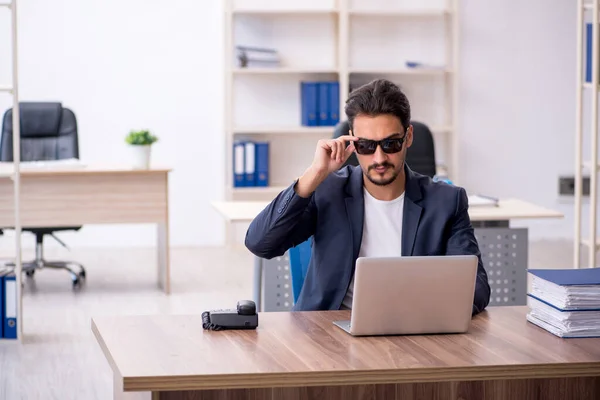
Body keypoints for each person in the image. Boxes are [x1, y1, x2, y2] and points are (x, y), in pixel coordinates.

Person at [245, 78, 491, 315]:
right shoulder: (327, 191)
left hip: (412, 331)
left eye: (391, 144)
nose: (379, 158)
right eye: (366, 146)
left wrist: (420, 313)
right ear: (352, 140)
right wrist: (314, 174)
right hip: (329, 334)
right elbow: (260, 243)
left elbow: (476, 288)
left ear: (409, 137)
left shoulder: (447, 201)